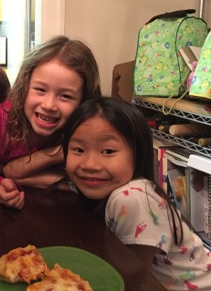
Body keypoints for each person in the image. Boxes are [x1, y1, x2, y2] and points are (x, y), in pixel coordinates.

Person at [62, 97, 211, 290]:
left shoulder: (132, 197)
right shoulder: (102, 186)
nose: (90, 165)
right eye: (78, 149)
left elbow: (130, 279)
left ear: (138, 153)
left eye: (107, 151)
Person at [0, 35, 101, 209]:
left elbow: (75, 181)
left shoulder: (81, 128)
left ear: (83, 100)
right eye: (40, 90)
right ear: (25, 87)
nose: (49, 105)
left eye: (65, 96)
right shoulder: (5, 115)